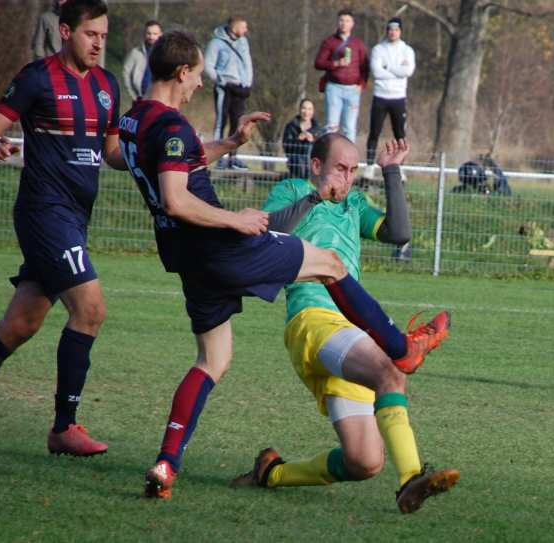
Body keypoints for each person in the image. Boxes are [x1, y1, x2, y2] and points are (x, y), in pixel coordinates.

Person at [117, 31, 451, 499]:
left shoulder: (135, 123)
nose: (200, 85)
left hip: (187, 259)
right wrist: (234, 218)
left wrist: (229, 143)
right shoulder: (174, 127)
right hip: (219, 245)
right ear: (181, 73)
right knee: (331, 264)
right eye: (197, 75)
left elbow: (136, 161)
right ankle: (403, 345)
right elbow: (175, 199)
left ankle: (166, 464)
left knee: (213, 360)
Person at [229, 137, 459, 514]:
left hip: (352, 331)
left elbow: (398, 233)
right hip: (312, 321)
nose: (347, 179)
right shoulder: (294, 190)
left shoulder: (354, 204)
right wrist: (315, 197)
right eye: (340, 168)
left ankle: (271, 473)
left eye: (353, 171)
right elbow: (270, 232)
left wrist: (391, 170)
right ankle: (412, 478)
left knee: (364, 462)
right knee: (390, 370)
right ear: (317, 166)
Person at [0, 0, 126, 456]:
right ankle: (63, 427)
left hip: (74, 218)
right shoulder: (38, 77)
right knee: (90, 309)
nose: (98, 43)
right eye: (90, 34)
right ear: (65, 31)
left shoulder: (107, 86)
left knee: (19, 324)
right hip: (44, 212)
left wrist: (145, 158)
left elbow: (112, 154)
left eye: (104, 36)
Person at [364, 17, 415, 179]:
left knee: (400, 133)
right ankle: (370, 166)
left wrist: (388, 67)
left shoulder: (407, 50)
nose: (392, 32)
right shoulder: (378, 49)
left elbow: (407, 71)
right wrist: (396, 71)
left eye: (396, 30)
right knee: (374, 132)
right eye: (390, 29)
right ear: (387, 31)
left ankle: (400, 166)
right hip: (380, 96)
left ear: (400, 31)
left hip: (398, 97)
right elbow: (377, 73)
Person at [204, 16, 253, 170]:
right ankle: (218, 157)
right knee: (221, 122)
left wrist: (248, 83)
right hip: (224, 88)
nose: (246, 30)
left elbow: (248, 63)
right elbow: (208, 65)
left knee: (238, 122)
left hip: (240, 88)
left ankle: (233, 157)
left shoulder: (243, 42)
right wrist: (220, 80)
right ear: (235, 27)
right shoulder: (216, 43)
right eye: (244, 27)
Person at [314, 8, 369, 143]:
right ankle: (328, 156)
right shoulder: (329, 42)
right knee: (331, 126)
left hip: (352, 90)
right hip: (334, 88)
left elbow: (365, 67)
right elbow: (318, 63)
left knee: (349, 128)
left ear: (352, 23)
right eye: (341, 20)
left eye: (347, 21)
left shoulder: (358, 44)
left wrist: (361, 85)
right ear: (337, 23)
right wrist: (336, 63)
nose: (344, 23)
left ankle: (349, 159)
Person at [122, 19, 162, 102]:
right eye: (149, 33)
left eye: (155, 34)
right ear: (144, 34)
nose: (151, 37)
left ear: (160, 35)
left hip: (158, 100)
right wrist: (134, 96)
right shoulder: (135, 53)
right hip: (139, 100)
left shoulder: (165, 54)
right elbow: (126, 73)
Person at [282, 98, 323, 179]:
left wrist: (313, 140)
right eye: (304, 108)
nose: (306, 112)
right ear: (300, 109)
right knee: (301, 164)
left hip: (312, 163)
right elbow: (286, 147)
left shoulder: (317, 128)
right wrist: (298, 139)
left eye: (309, 109)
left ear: (313, 111)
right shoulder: (291, 126)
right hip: (295, 162)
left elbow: (322, 149)